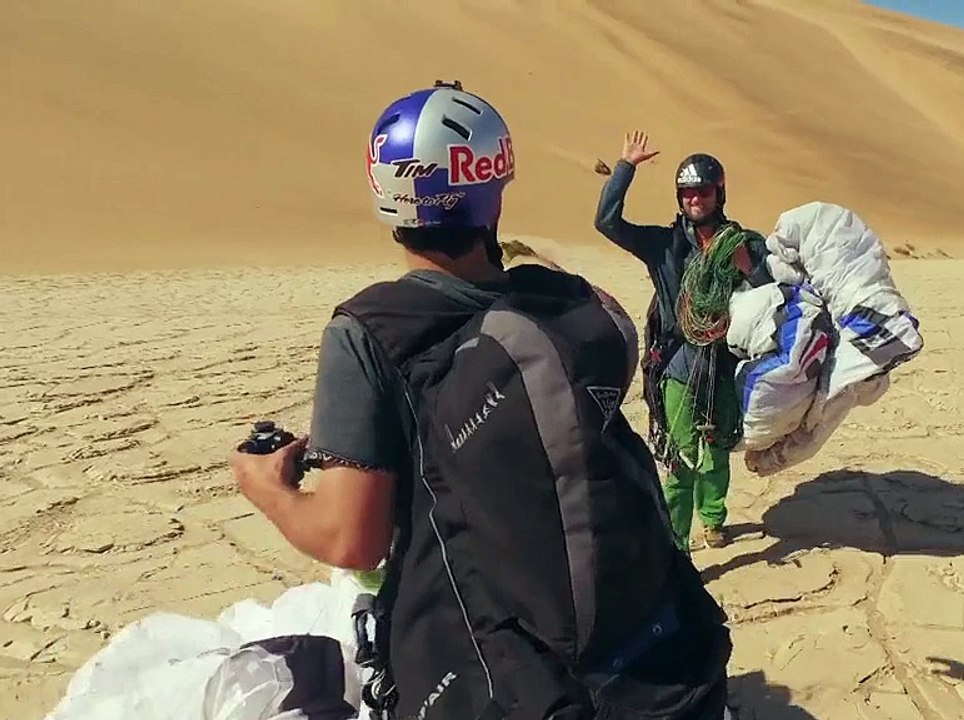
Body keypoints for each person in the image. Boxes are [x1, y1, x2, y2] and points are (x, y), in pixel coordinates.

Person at [230, 84, 733, 720]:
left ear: (385, 192)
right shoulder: (568, 299)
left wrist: (264, 486)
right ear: (495, 183)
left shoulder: (368, 331)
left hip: (492, 670)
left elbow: (351, 539)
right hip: (660, 656)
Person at [593, 132, 771, 553]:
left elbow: (771, 296)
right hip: (675, 365)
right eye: (687, 192)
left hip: (724, 363)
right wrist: (626, 167)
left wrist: (751, 270)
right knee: (680, 456)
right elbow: (607, 223)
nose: (695, 199)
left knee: (716, 448)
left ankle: (713, 520)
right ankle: (676, 539)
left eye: (703, 191)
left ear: (719, 193)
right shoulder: (664, 244)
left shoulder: (743, 243)